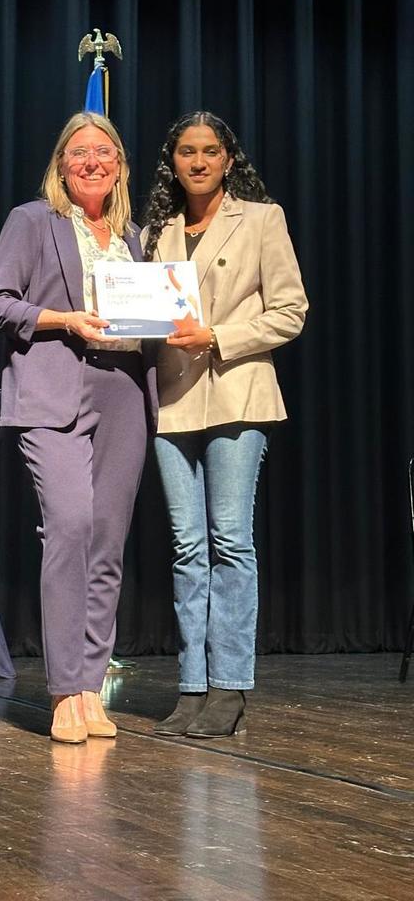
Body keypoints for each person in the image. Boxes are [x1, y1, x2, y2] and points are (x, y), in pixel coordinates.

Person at [0, 112, 154, 744]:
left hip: (124, 392)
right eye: (79, 153)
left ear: (120, 166)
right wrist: (65, 320)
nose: (92, 162)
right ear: (60, 164)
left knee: (107, 540)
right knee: (70, 528)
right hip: (54, 387)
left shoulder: (135, 237)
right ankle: (62, 691)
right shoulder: (32, 221)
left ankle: (90, 687)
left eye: (104, 153)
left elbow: (153, 316)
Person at [141, 111, 307, 738]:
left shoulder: (262, 219)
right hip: (172, 400)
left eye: (211, 151)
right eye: (188, 151)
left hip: (238, 393)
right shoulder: (155, 230)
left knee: (230, 542)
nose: (200, 161)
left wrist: (220, 337)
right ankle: (191, 686)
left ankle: (231, 686)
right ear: (173, 161)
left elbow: (291, 311)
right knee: (187, 549)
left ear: (228, 160)